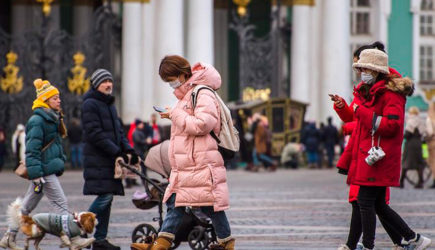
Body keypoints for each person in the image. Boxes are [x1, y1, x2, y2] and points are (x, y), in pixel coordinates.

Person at [131, 56, 234, 250]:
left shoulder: (202, 93)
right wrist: (174, 114)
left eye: (171, 79)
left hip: (201, 161)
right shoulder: (189, 95)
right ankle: (162, 243)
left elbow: (203, 124)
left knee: (203, 204)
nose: (170, 84)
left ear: (181, 74)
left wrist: (174, 114)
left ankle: (225, 244)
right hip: (190, 162)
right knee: (180, 201)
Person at [333, 49, 431, 250]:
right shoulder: (371, 91)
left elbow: (391, 126)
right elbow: (356, 118)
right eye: (360, 69)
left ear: (375, 71)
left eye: (364, 69)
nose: (361, 73)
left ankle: (369, 245)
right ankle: (414, 239)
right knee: (376, 204)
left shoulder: (391, 95)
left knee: (365, 201)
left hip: (380, 157)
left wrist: (363, 113)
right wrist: (345, 108)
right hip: (370, 156)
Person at [0, 79, 93, 250]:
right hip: (43, 171)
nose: (59, 100)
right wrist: (36, 175)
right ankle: (73, 239)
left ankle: (9, 237)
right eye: (55, 98)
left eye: (58, 97)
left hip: (44, 170)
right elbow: (32, 149)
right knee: (61, 203)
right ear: (45, 100)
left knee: (26, 207)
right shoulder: (38, 120)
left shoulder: (52, 118)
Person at [81, 69, 139, 250]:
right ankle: (79, 225)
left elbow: (119, 132)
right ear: (96, 84)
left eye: (110, 81)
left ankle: (99, 239)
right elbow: (95, 134)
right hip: (98, 159)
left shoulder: (110, 105)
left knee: (108, 198)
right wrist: (116, 152)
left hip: (109, 160)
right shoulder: (90, 104)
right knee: (105, 196)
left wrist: (128, 149)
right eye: (104, 81)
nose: (108, 84)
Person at [400, 107, 426, 188]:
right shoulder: (421, 121)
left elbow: (408, 134)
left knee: (406, 163)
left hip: (410, 145)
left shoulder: (411, 121)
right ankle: (420, 182)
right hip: (418, 144)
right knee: (419, 164)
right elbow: (423, 133)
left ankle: (401, 182)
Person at [426, 101, 435, 188]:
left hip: (432, 142)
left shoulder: (430, 119)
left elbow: (430, 132)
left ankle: (434, 179)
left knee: (432, 162)